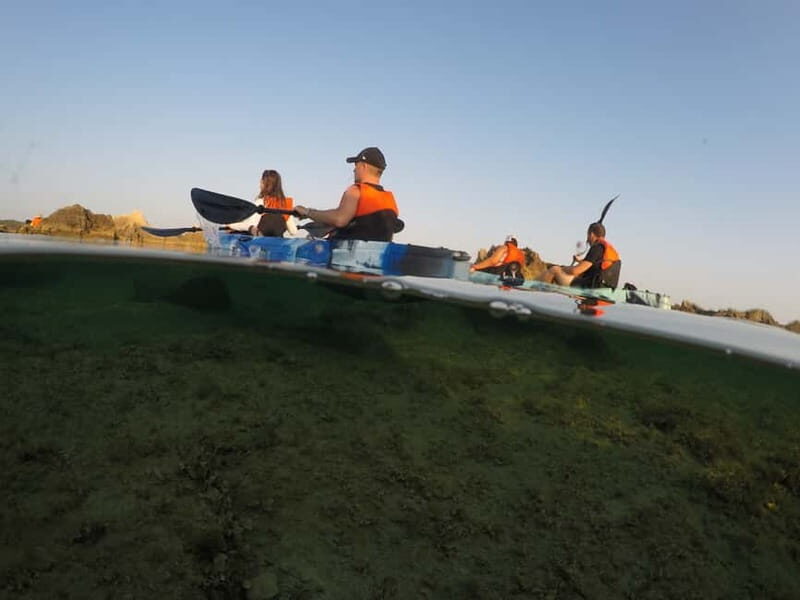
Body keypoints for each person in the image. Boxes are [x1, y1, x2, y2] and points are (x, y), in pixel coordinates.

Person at [293, 147, 400, 241]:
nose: (354, 170)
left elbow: (340, 219)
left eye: (356, 166)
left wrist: (308, 212)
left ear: (364, 166)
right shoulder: (390, 200)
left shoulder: (356, 191)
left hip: (349, 257)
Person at [536, 222, 621, 288]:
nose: (587, 239)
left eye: (587, 235)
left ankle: (533, 290)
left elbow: (575, 271)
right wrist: (579, 261)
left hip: (591, 286)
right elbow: (594, 265)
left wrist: (563, 269)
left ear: (591, 234)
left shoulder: (597, 247)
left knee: (555, 269)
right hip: (603, 286)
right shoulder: (608, 249)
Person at [225, 169, 295, 236]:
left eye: (261, 182)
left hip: (260, 241)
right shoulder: (287, 203)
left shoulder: (260, 203)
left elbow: (251, 225)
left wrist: (230, 224)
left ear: (263, 183)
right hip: (277, 241)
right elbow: (293, 231)